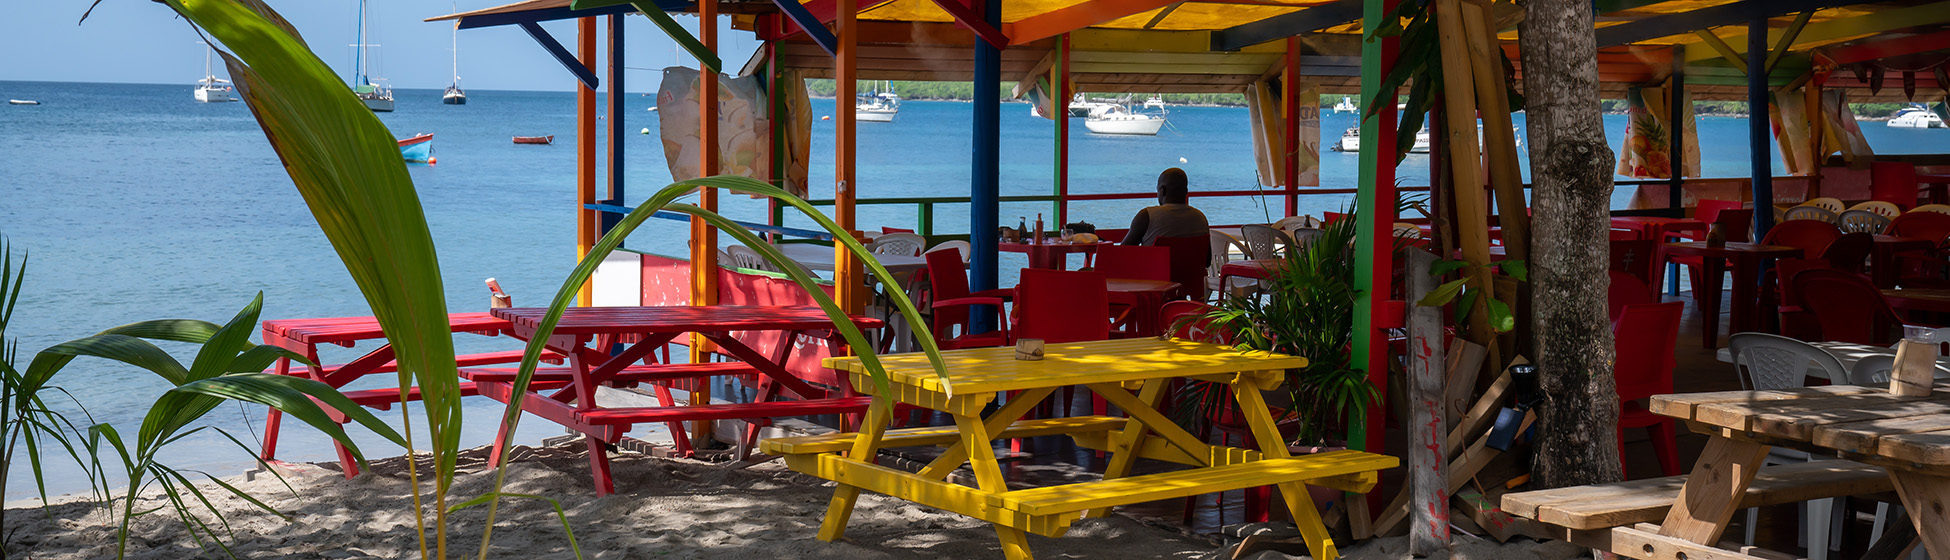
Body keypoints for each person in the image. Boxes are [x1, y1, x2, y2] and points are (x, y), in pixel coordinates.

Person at [1120, 168, 1208, 246]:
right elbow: (1207, 259)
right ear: (1186, 191)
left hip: (1155, 265)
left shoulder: (1146, 216)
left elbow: (1122, 253)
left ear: (1162, 191)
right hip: (1192, 265)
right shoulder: (1201, 218)